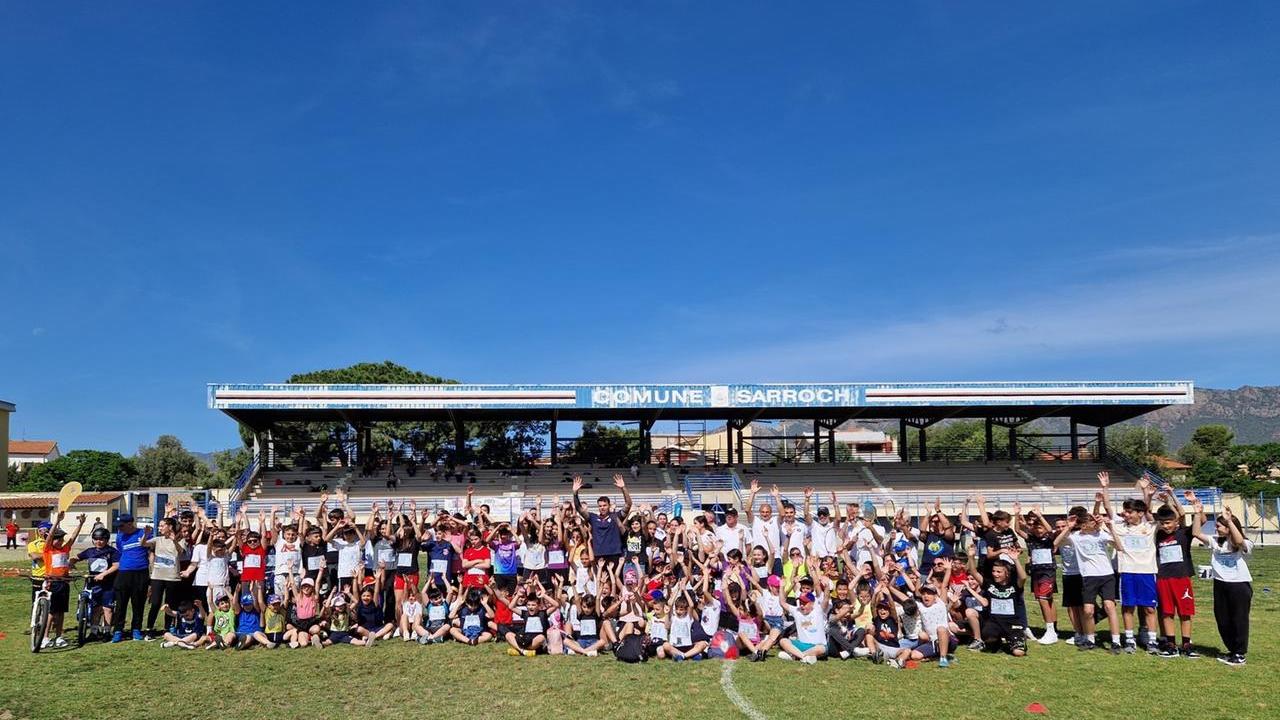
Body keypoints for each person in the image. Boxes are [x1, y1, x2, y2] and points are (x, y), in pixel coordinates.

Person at [1190, 501, 1252, 666]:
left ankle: (1240, 654)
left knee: (1239, 619)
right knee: (1223, 620)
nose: (1216, 528)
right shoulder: (1215, 541)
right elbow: (1196, 533)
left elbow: (1239, 541)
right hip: (1220, 585)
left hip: (1239, 585)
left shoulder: (1244, 543)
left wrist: (1229, 521)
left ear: (1228, 527)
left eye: (1219, 526)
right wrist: (1197, 513)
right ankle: (1232, 650)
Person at [1153, 491, 1198, 658]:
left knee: (1185, 612)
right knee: (1167, 612)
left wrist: (1171, 495)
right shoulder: (1157, 535)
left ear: (1176, 522)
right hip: (1164, 578)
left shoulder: (1183, 534)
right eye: (1163, 523)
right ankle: (1170, 643)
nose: (1166, 526)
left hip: (1182, 578)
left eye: (1169, 522)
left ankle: (1186, 643)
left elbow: (1182, 513)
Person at [40, 512, 86, 648]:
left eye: (61, 539)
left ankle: (59, 636)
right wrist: (57, 521)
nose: (60, 541)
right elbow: (49, 538)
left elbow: (72, 538)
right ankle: (45, 637)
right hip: (52, 582)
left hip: (64, 583)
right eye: (57, 539)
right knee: (51, 612)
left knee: (61, 612)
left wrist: (81, 524)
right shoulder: (48, 549)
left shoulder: (65, 548)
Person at [572, 474, 632, 564]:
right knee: (601, 578)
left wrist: (623, 488)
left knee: (615, 578)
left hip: (615, 554)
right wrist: (575, 493)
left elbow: (628, 504)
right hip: (599, 555)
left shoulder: (616, 516)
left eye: (604, 505)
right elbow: (579, 508)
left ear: (609, 505)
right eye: (600, 506)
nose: (602, 508)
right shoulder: (593, 518)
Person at [72, 526, 120, 633]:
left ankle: (106, 631)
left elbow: (116, 565)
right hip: (93, 584)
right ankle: (94, 631)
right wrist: (71, 562)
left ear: (106, 540)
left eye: (102, 539)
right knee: (95, 607)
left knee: (107, 608)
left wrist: (104, 574)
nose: (99, 541)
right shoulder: (90, 551)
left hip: (108, 584)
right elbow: (77, 557)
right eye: (96, 539)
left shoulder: (112, 552)